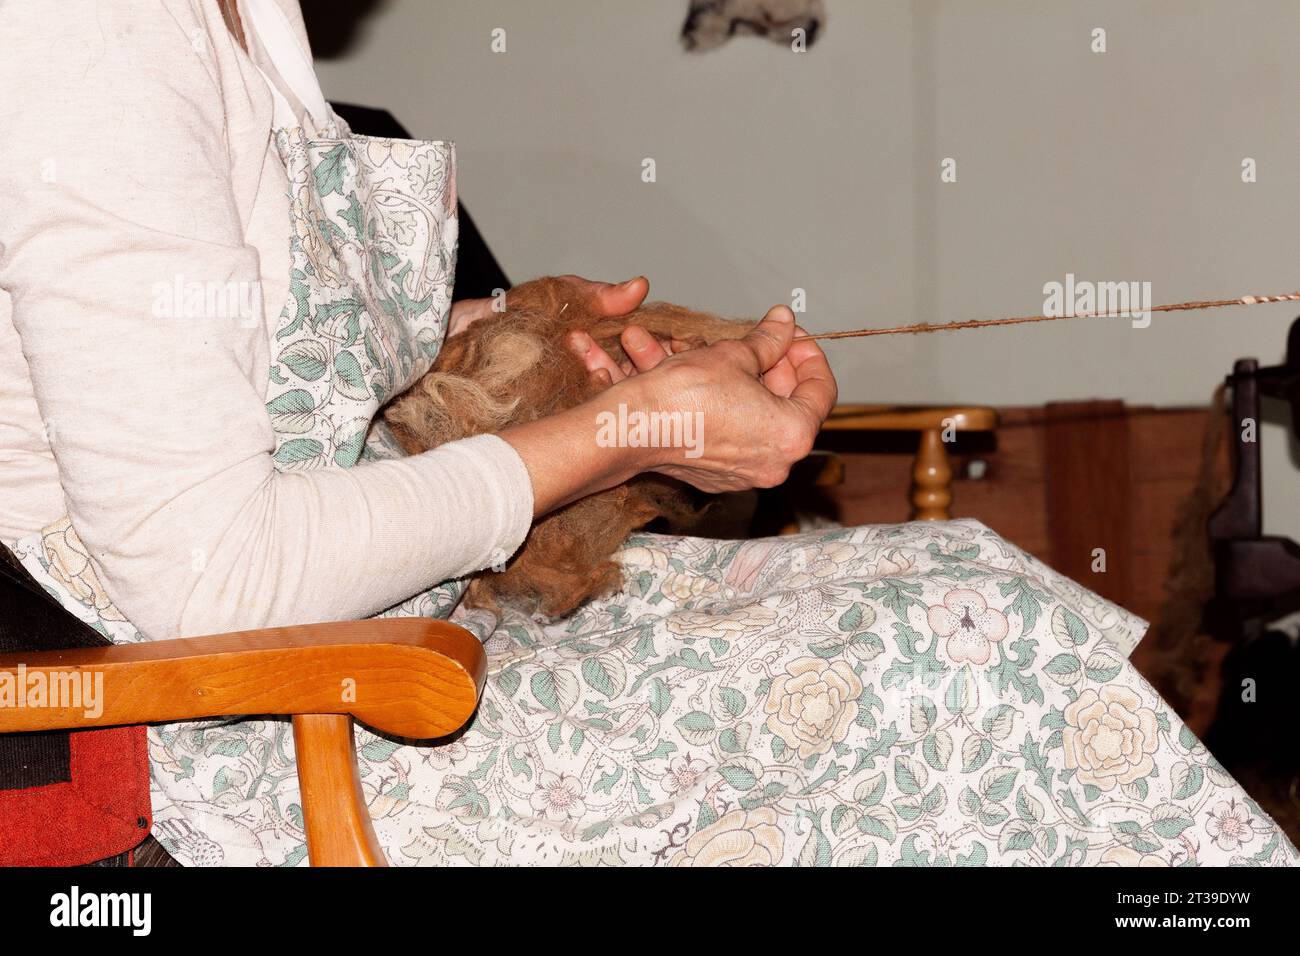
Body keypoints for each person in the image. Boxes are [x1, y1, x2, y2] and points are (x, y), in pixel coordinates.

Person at [0, 0, 1293, 866]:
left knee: (966, 589)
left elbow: (239, 357)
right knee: (946, 663)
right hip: (239, 729)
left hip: (355, 641)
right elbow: (208, 579)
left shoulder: (244, 22)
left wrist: (514, 337)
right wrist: (621, 434)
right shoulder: (88, 35)